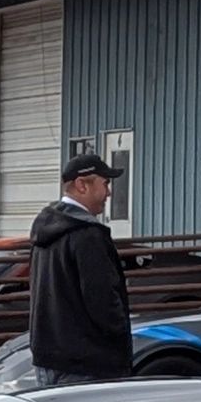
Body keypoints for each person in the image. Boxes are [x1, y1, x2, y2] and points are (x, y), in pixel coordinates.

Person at [26, 154, 132, 386]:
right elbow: (102, 299)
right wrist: (119, 337)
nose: (109, 193)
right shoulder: (88, 235)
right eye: (105, 183)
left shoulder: (45, 230)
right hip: (87, 362)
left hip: (49, 357)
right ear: (82, 184)